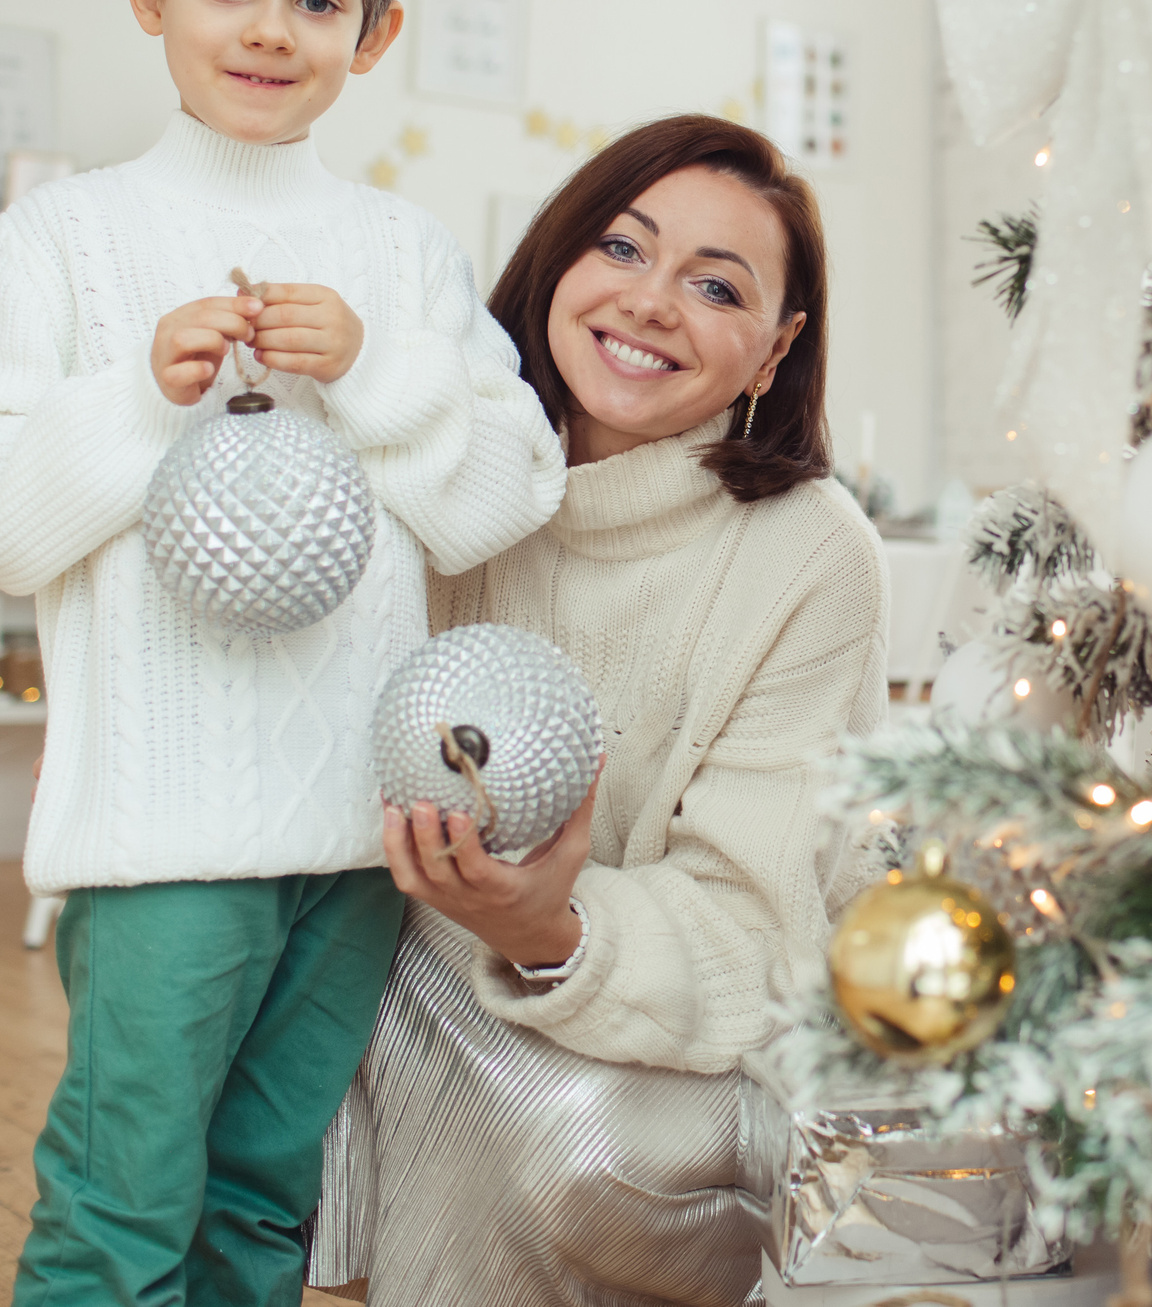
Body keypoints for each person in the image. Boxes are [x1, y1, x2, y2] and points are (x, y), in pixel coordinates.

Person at [0, 0, 567, 1307]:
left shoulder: (401, 256)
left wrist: (383, 372)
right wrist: (138, 391)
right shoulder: (61, 242)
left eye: (317, 0)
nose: (271, 30)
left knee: (266, 1206)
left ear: (374, 34)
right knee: (120, 1210)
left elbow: (506, 491)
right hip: (159, 841)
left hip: (354, 835)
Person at [308, 115, 890, 1306]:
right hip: (399, 954)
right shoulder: (437, 473)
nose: (652, 302)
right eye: (622, 250)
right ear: (558, 259)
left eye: (715, 285)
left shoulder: (814, 557)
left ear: (775, 350)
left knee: (562, 1141)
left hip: (672, 1023)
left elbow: (753, 924)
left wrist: (548, 928)